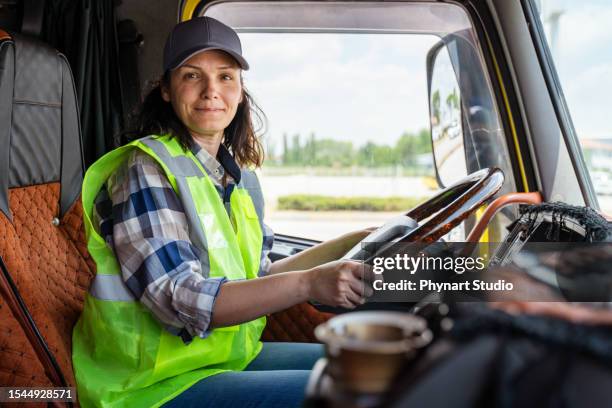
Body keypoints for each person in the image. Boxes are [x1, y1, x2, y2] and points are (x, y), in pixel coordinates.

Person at [72, 16, 374, 408]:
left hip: (218, 358)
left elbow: (259, 275)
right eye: (193, 76)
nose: (211, 91)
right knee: (350, 390)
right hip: (148, 385)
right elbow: (179, 298)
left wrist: (354, 241)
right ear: (166, 89)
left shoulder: (236, 179)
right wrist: (309, 284)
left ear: (241, 90)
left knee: (384, 366)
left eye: (226, 77)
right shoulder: (146, 170)